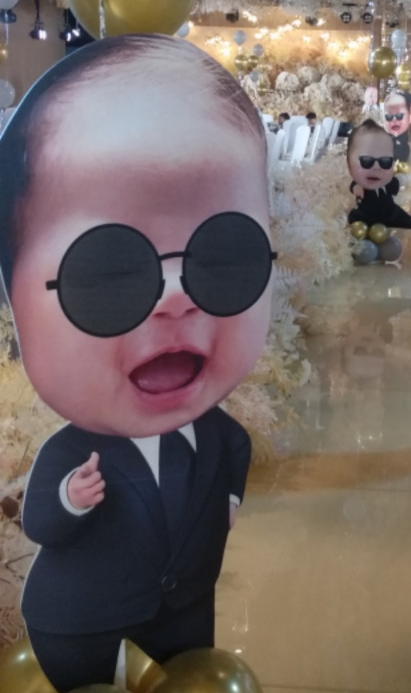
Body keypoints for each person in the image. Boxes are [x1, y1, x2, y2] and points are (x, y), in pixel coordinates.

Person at [0, 34, 274, 692]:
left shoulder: (218, 436)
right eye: (109, 273)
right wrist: (70, 500)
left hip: (184, 617)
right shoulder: (72, 455)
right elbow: (41, 524)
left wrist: (228, 498)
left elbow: (234, 450)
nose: (177, 299)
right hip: (83, 625)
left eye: (224, 255)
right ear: (12, 296)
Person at [347, 119, 411, 230]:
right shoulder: (361, 183)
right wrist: (356, 188)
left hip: (388, 211)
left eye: (385, 162)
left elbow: (395, 185)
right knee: (355, 217)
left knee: (398, 213)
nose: (376, 167)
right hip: (366, 212)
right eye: (367, 161)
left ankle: (409, 221)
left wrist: (399, 180)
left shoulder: (388, 181)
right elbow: (354, 186)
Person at [383, 90, 411, 163]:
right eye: (389, 117)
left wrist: (403, 93)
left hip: (402, 155)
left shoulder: (408, 119)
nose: (394, 120)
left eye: (399, 116)